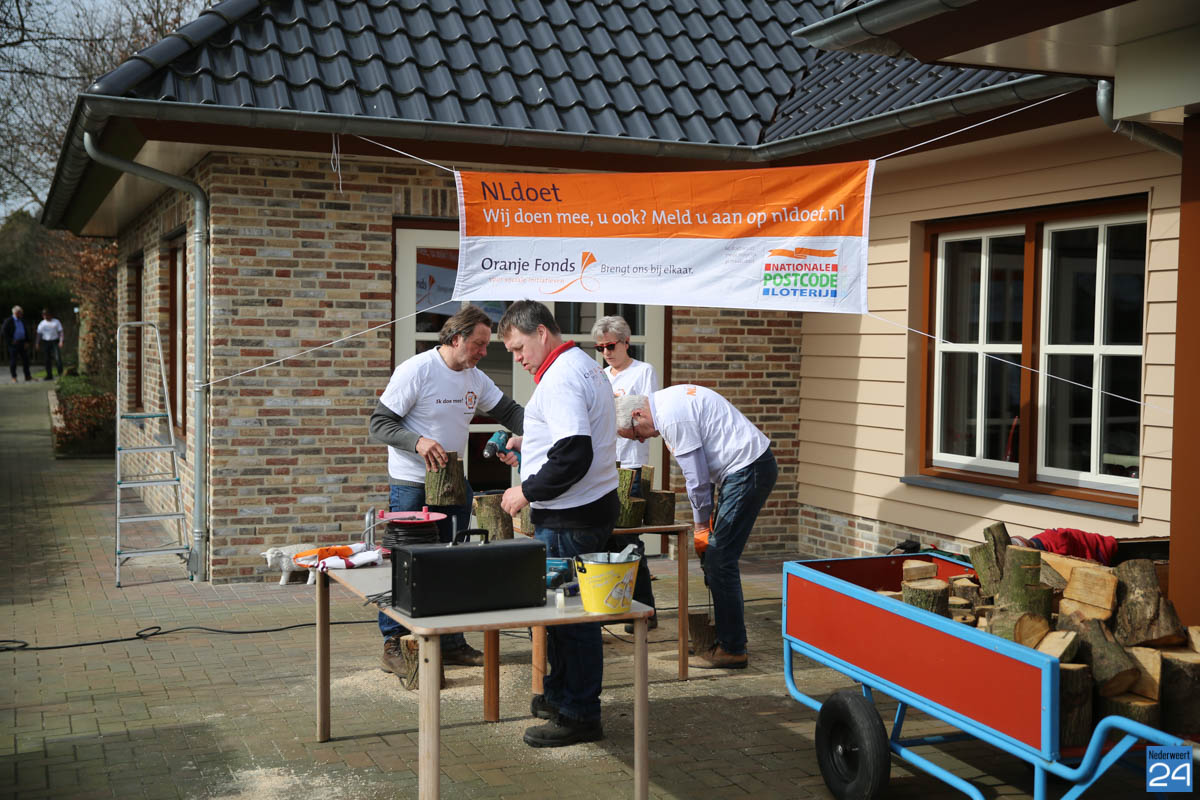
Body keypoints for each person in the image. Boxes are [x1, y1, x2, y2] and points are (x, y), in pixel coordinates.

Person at [369, 304, 524, 672]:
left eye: (487, 345)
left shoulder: (475, 378)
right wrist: (418, 441)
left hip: (453, 482)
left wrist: (546, 429)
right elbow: (379, 424)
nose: (484, 352)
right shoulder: (418, 370)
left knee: (454, 561)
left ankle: (452, 642)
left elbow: (512, 413)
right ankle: (394, 643)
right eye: (479, 344)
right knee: (408, 562)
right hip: (412, 483)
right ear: (456, 339)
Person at [498, 299, 618, 748]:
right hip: (584, 510)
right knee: (564, 614)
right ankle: (561, 695)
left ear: (542, 333)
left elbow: (573, 453)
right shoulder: (581, 366)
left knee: (572, 620)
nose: (517, 357)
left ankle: (579, 713)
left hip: (571, 518)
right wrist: (528, 444)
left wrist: (525, 491)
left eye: (518, 347)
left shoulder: (562, 377)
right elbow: (567, 439)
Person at [615, 386, 777, 670]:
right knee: (717, 558)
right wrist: (706, 523)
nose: (641, 440)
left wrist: (701, 527)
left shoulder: (672, 417)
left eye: (636, 434)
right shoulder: (667, 405)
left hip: (748, 469)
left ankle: (732, 648)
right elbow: (703, 473)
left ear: (637, 414)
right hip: (743, 470)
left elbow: (698, 480)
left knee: (719, 559)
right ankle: (725, 638)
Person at [591, 315, 658, 632]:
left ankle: (646, 610)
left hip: (631, 464)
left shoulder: (643, 371)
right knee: (606, 537)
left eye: (611, 345)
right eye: (600, 347)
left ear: (626, 343)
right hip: (604, 463)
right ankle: (615, 604)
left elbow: (648, 417)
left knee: (629, 539)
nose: (606, 352)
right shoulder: (601, 376)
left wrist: (620, 416)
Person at [2, 306, 32, 383]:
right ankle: (14, 377)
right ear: (16, 313)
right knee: (13, 361)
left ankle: (27, 376)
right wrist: (11, 341)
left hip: (22, 343)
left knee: (26, 360)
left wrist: (27, 341)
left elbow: (26, 331)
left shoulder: (22, 320)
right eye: (20, 312)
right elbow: (4, 332)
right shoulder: (8, 321)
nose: (22, 314)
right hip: (13, 344)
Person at [35, 309, 65, 380]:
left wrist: (61, 341)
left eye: (46, 314)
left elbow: (61, 332)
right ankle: (49, 375)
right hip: (46, 342)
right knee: (47, 359)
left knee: (58, 358)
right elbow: (39, 334)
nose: (45, 316)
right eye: (43, 315)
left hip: (55, 341)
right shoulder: (42, 323)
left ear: (50, 315)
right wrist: (37, 343)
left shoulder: (56, 322)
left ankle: (60, 374)